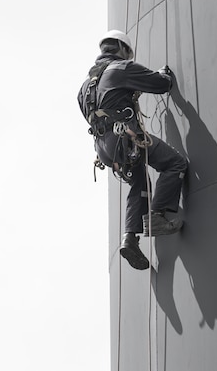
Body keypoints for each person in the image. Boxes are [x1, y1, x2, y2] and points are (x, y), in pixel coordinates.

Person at [78, 30, 188, 270]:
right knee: (174, 163)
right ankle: (157, 216)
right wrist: (163, 75)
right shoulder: (121, 68)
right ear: (122, 48)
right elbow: (162, 84)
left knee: (140, 183)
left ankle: (130, 238)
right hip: (124, 138)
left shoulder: (85, 87)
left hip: (105, 149)